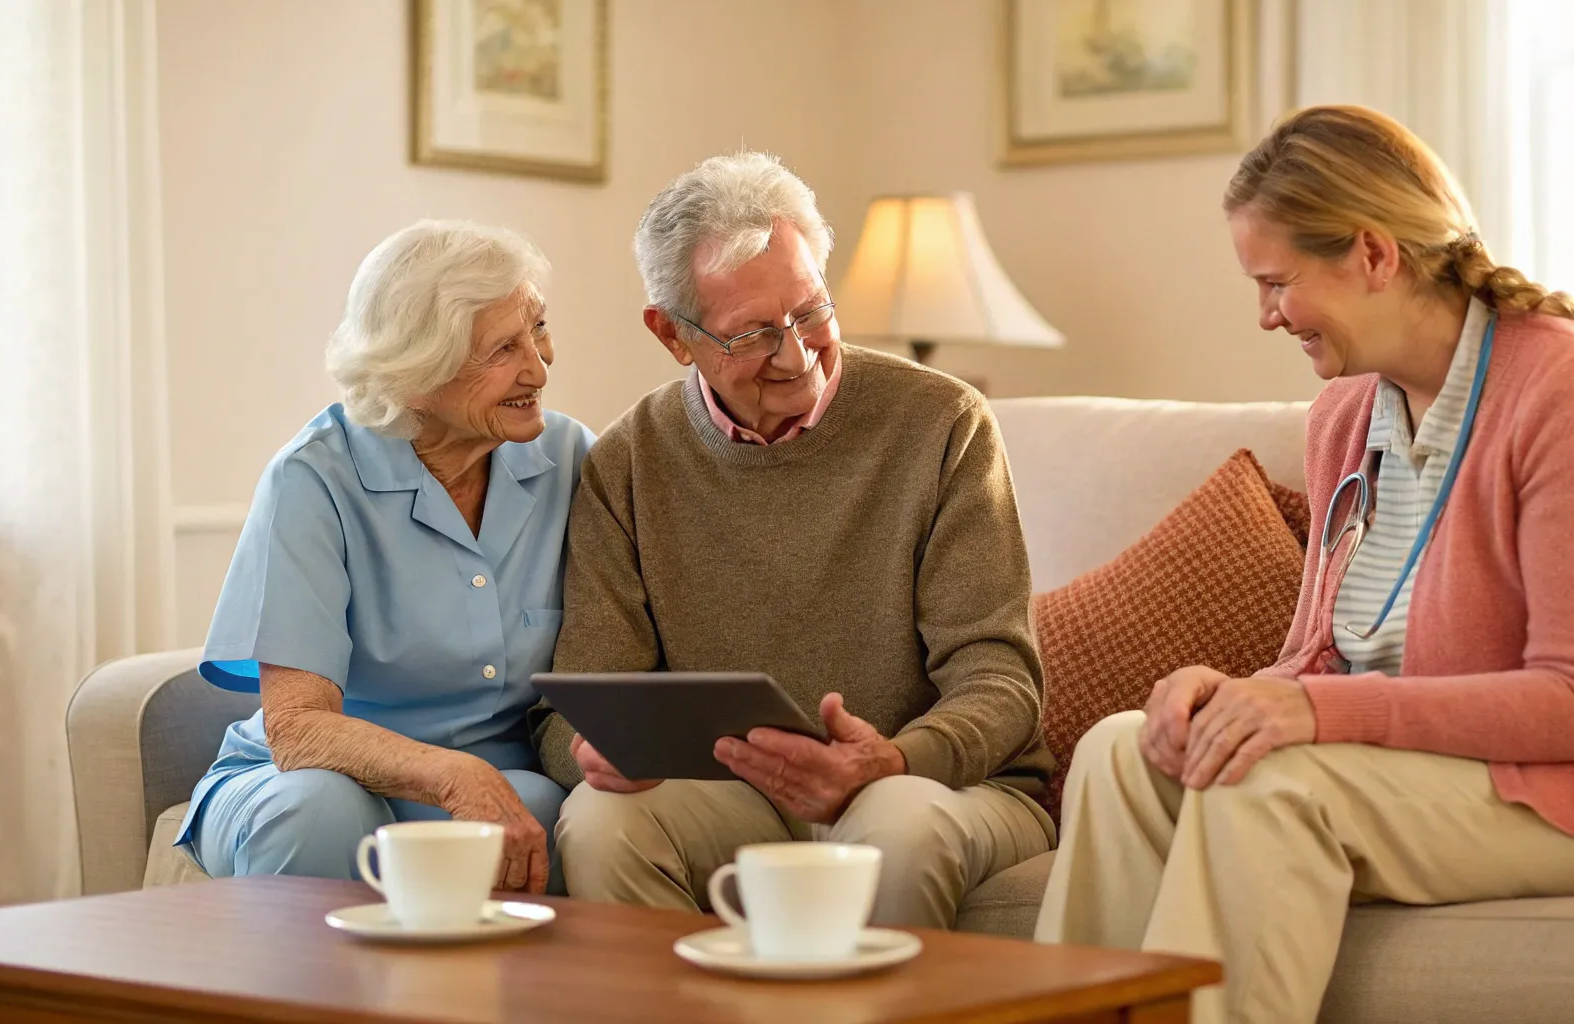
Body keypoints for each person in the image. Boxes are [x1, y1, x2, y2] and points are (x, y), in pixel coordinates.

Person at [1034, 106, 1574, 1023]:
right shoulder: (1346, 415)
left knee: (1271, 788)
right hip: (1421, 770)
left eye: (1277, 282)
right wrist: (1230, 693)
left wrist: (1310, 711)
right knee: (1118, 753)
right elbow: (1319, 663)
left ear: (1374, 254)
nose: (1264, 317)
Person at [530, 151, 1055, 928]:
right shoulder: (628, 462)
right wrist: (592, 752)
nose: (797, 355)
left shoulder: (943, 423)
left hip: (936, 787)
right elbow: (580, 702)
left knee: (893, 827)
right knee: (603, 824)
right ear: (673, 335)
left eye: (811, 311)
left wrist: (891, 758)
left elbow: (1001, 678)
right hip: (735, 800)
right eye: (754, 335)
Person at [179, 220, 594, 895]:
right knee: (320, 812)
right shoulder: (314, 479)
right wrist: (457, 776)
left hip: (493, 779)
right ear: (418, 370)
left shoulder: (570, 459)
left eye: (538, 330)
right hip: (313, 777)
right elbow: (299, 729)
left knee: (537, 807)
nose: (539, 368)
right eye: (503, 349)